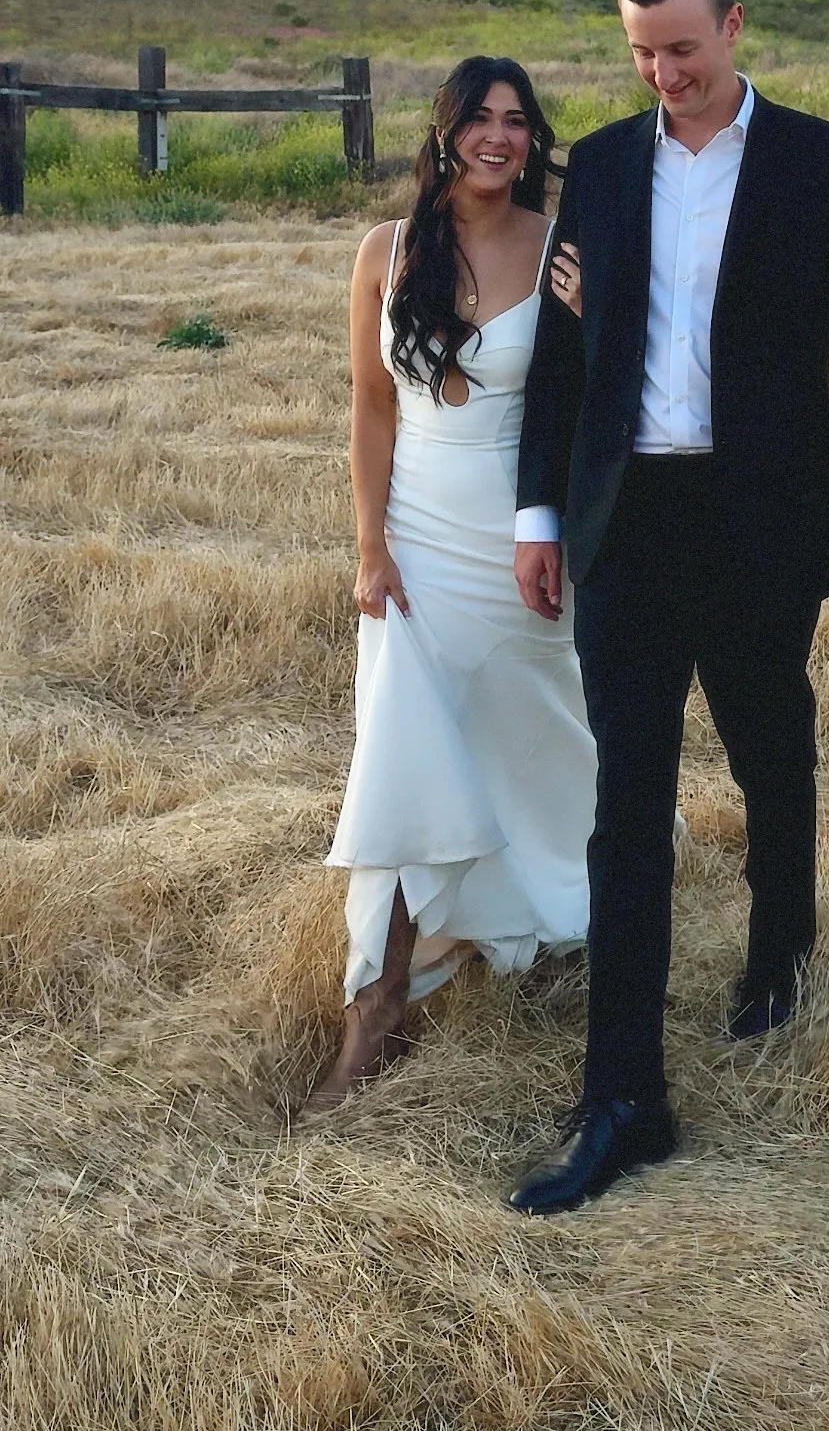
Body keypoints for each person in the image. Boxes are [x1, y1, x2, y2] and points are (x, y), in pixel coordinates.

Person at [506, 0, 829, 1213]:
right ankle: (623, 1098)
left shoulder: (822, 164)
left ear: (735, 27)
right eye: (640, 53)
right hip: (627, 522)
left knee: (768, 749)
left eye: (681, 48)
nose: (661, 75)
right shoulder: (606, 167)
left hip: (761, 517)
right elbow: (565, 362)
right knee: (624, 799)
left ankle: (779, 949)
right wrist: (537, 511)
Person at [299, 57, 598, 1117]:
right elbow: (371, 408)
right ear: (444, 132)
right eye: (479, 118)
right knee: (399, 764)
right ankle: (374, 1012)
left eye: (518, 122)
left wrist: (591, 311)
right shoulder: (384, 252)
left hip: (520, 546)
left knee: (535, 757)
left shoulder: (565, 240)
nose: (500, 137)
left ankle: (546, 933)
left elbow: (592, 404)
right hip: (417, 547)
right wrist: (370, 546)